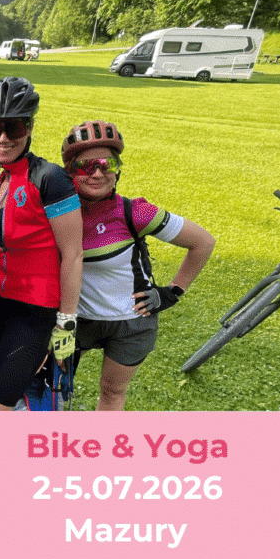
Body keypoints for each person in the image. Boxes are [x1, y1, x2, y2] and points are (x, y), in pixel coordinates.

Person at [61, 119, 216, 410]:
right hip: (75, 320)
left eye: (106, 164)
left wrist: (173, 291)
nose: (97, 173)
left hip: (130, 323)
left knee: (112, 391)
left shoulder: (135, 212)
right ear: (69, 172)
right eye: (85, 166)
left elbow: (203, 242)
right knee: (56, 387)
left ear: (117, 170)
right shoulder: (58, 215)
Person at [0, 77, 83, 411]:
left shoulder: (49, 179)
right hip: (4, 305)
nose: (2, 138)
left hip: (36, 313)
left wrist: (67, 321)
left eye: (12, 128)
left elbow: (73, 254)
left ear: (28, 128)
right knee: (14, 395)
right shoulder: (3, 177)